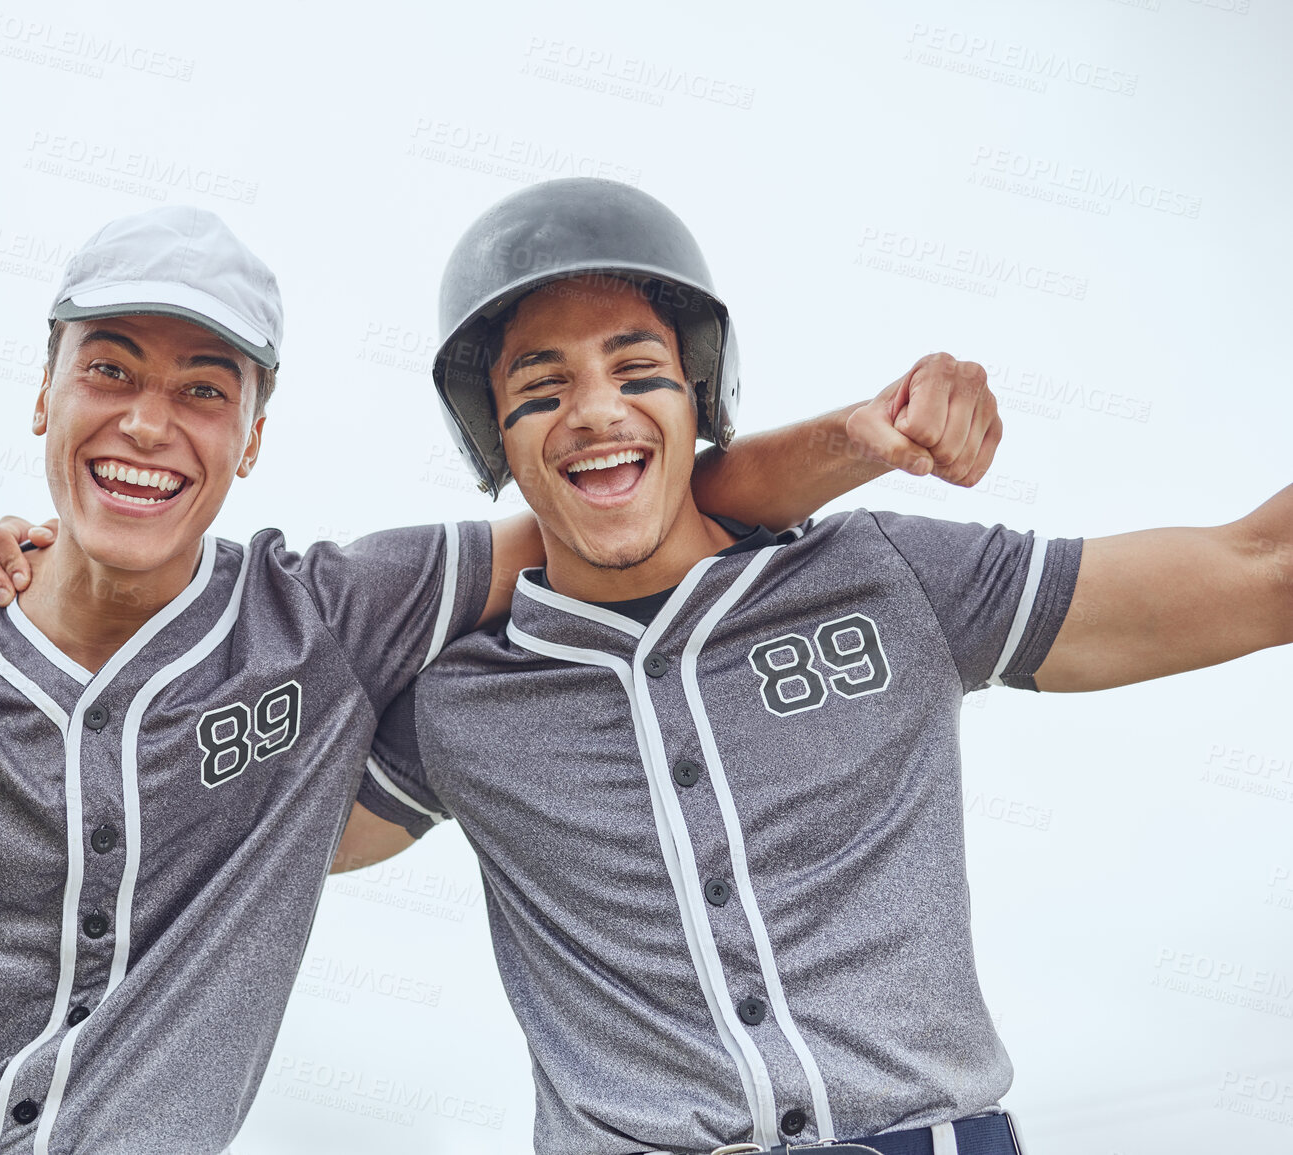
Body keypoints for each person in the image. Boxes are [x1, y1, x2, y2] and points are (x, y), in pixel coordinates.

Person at [0, 198, 996, 1154]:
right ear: (42, 394)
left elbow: (622, 496)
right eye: (109, 369)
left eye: (204, 387)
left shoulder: (321, 614)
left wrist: (866, 437)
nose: (150, 419)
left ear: (250, 436)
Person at [334, 180, 1287, 1154]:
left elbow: (1260, 572)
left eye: (637, 370)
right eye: (542, 389)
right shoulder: (461, 703)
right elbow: (253, 842)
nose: (595, 412)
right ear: (493, 435)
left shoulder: (889, 577)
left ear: (699, 391)